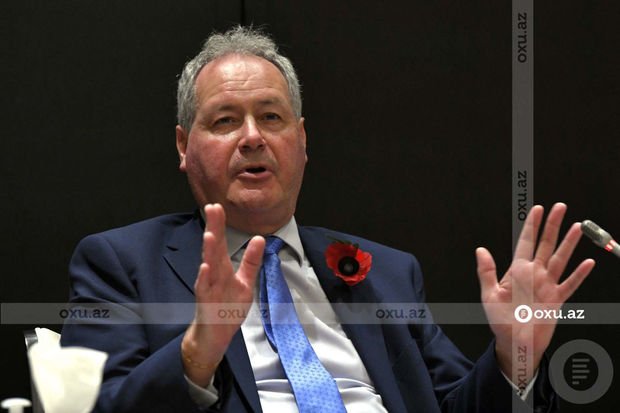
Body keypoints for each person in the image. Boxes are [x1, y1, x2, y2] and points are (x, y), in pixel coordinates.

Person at [60, 26, 594, 413]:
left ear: (302, 140)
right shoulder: (122, 263)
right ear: (184, 146)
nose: (253, 137)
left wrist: (515, 356)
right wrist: (196, 356)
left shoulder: (388, 272)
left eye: (272, 116)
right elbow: (89, 407)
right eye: (225, 121)